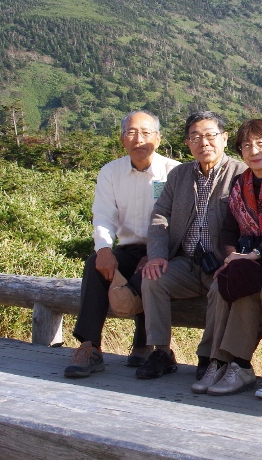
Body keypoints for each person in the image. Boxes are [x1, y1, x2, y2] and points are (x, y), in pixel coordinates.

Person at [190, 119, 262, 396]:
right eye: (246, 145)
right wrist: (232, 256)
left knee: (248, 289)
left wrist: (255, 254)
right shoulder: (238, 185)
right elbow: (228, 230)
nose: (254, 151)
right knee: (221, 286)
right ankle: (217, 361)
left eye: (261, 143)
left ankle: (239, 364)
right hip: (245, 259)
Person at [64, 110, 179, 378]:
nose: (139, 139)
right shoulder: (111, 172)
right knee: (95, 265)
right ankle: (90, 347)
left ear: (159, 139)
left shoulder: (174, 172)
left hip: (165, 250)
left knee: (150, 271)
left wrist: (156, 251)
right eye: (131, 132)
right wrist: (104, 249)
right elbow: (103, 214)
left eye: (146, 133)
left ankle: (145, 345)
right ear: (122, 139)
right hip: (127, 248)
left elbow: (180, 223)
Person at [137, 111, 247, 380]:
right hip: (185, 261)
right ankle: (161, 351)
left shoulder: (241, 174)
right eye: (195, 137)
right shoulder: (179, 175)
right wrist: (157, 256)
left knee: (222, 288)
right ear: (188, 143)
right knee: (153, 279)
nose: (204, 143)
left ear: (224, 138)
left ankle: (208, 355)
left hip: (221, 263)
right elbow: (160, 216)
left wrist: (233, 258)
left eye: (210, 135)